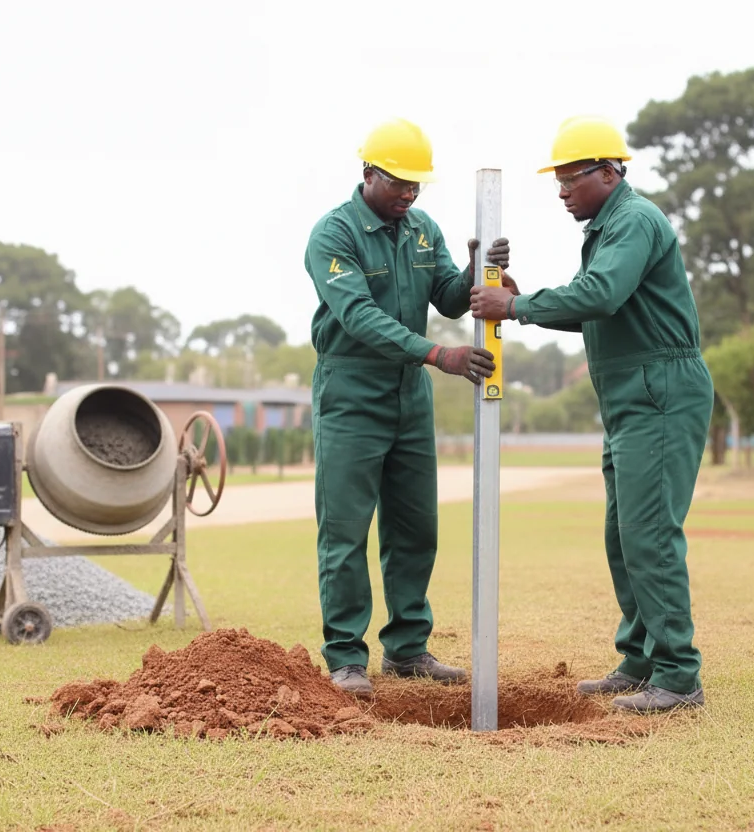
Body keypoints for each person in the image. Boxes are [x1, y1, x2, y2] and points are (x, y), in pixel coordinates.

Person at [469, 115, 714, 714]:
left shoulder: (632, 221)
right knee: (623, 535)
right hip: (630, 397)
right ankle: (640, 659)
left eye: (569, 179)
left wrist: (517, 305)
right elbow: (595, 308)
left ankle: (679, 676)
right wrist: (521, 301)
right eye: (557, 181)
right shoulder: (608, 227)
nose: (560, 192)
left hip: (659, 390)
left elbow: (600, 294)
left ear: (608, 173)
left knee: (649, 533)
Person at [304, 117, 512, 697]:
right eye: (398, 182)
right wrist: (436, 355)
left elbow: (447, 295)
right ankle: (346, 657)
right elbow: (359, 317)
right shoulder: (334, 235)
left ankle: (407, 648)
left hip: (408, 397)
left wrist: (476, 269)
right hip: (351, 391)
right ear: (368, 174)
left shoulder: (421, 228)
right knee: (345, 530)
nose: (409, 193)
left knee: (416, 526)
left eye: (417, 183)